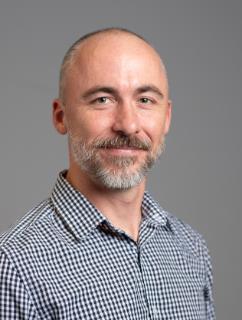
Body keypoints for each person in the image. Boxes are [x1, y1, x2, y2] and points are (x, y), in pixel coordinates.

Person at [0, 28, 215, 319]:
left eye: (145, 100)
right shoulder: (14, 265)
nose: (127, 125)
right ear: (61, 117)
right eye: (103, 99)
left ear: (166, 117)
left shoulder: (191, 248)